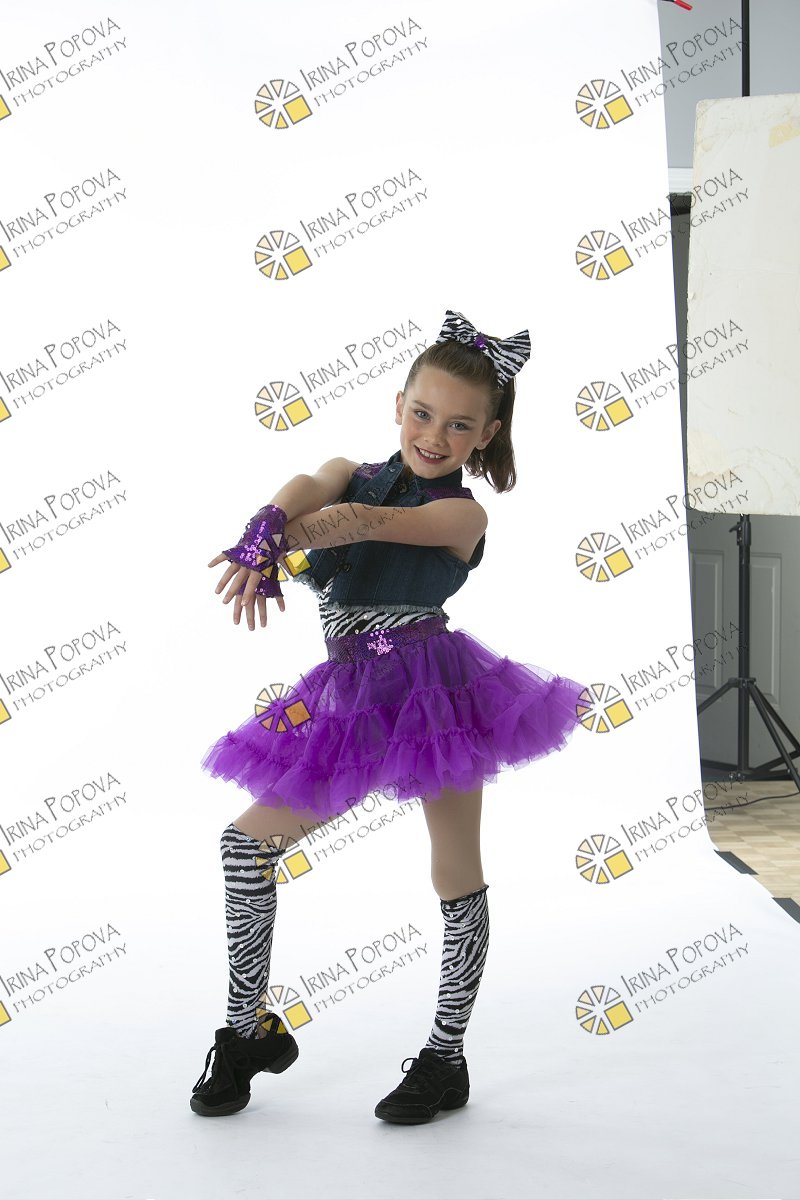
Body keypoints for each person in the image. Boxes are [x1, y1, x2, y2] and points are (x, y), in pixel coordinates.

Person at [190, 309, 587, 1124]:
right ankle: (246, 1033)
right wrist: (265, 521)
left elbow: (362, 522)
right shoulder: (348, 470)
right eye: (423, 413)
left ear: (487, 434)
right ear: (397, 404)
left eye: (460, 425)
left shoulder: (464, 516)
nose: (436, 436)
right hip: (351, 700)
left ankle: (446, 1057)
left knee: (454, 868)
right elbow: (311, 485)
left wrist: (280, 539)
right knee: (244, 846)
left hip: (437, 700)